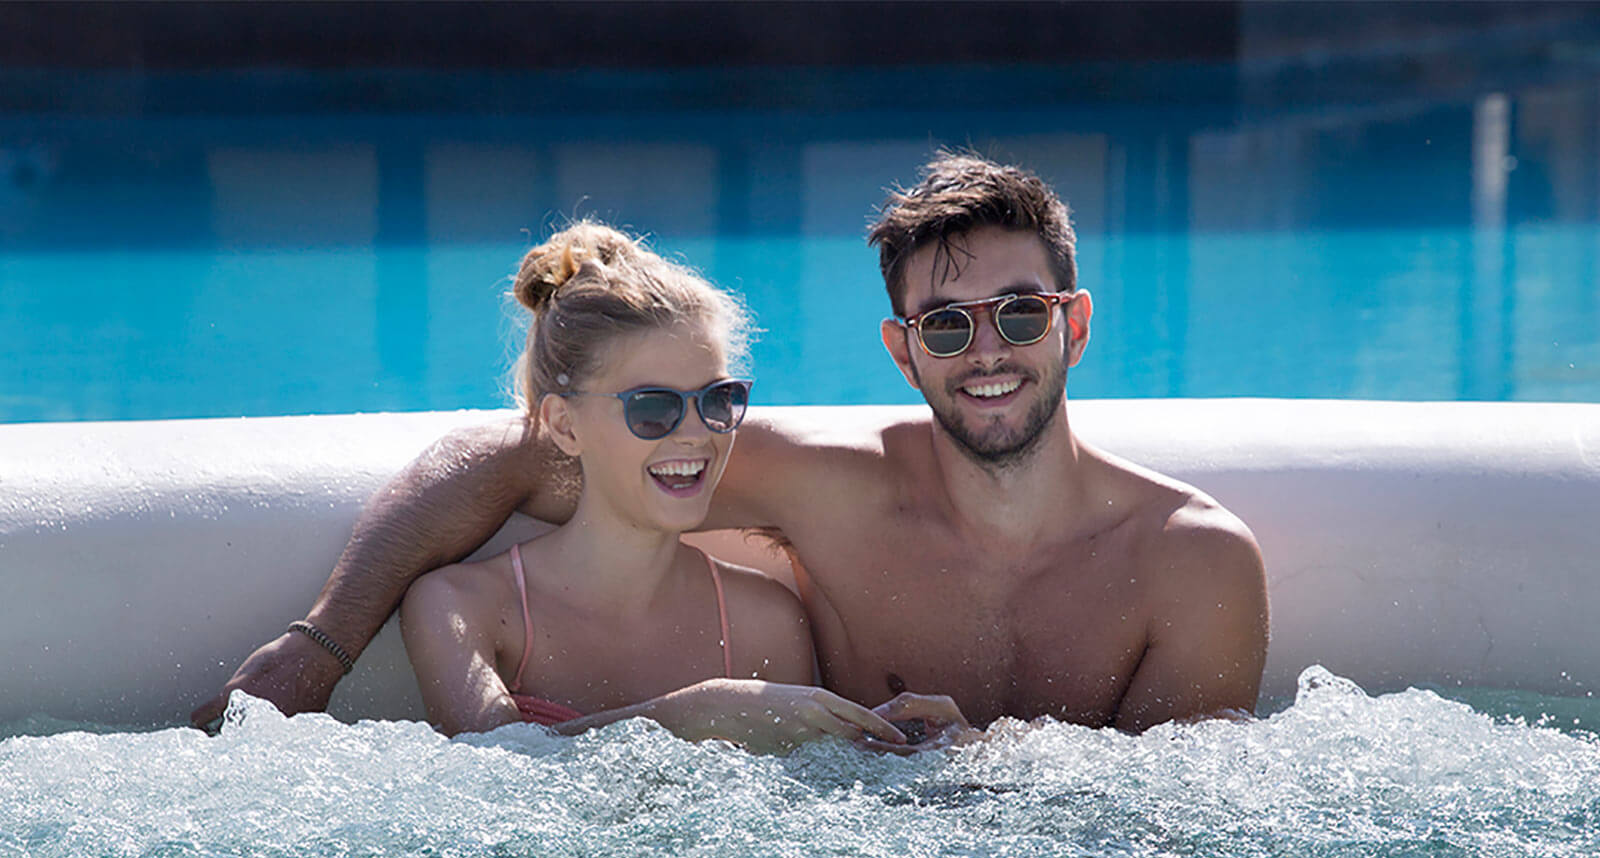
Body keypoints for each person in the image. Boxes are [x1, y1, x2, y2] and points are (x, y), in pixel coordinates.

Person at [193, 152, 1268, 738]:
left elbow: (1160, 846)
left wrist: (988, 775)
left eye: (1020, 313)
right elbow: (512, 454)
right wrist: (322, 645)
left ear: (1074, 324)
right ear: (902, 351)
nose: (986, 350)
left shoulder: (1192, 564)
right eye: (947, 324)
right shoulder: (824, 492)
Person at [391, 221, 911, 751]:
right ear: (565, 426)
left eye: (715, 400)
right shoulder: (461, 607)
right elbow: (495, 772)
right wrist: (689, 715)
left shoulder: (764, 623)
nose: (695, 435)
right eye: (653, 407)